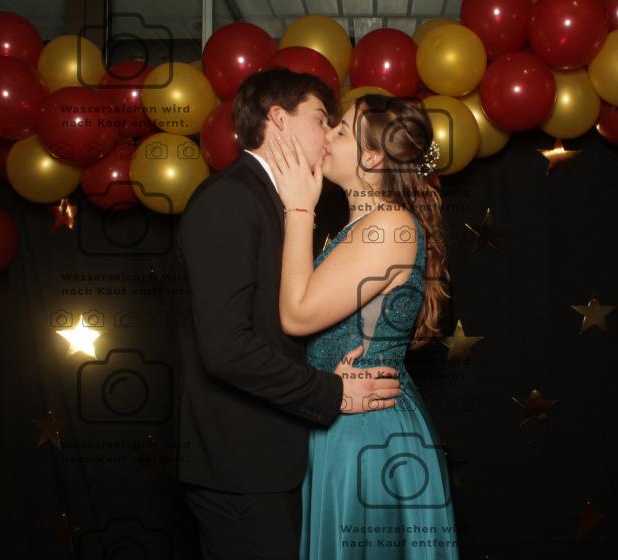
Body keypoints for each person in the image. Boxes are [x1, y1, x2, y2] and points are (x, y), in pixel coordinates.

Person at [175, 69, 403, 560]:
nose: (330, 133)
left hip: (277, 459)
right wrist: (333, 392)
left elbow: (281, 327)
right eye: (321, 118)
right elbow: (226, 348)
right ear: (278, 119)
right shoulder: (230, 198)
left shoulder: (285, 202)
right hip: (241, 466)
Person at [263, 93, 459, 559]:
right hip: (346, 418)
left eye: (340, 130)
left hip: (367, 431)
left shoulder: (388, 225)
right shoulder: (365, 225)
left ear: (372, 157)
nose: (326, 136)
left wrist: (298, 208)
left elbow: (297, 315)